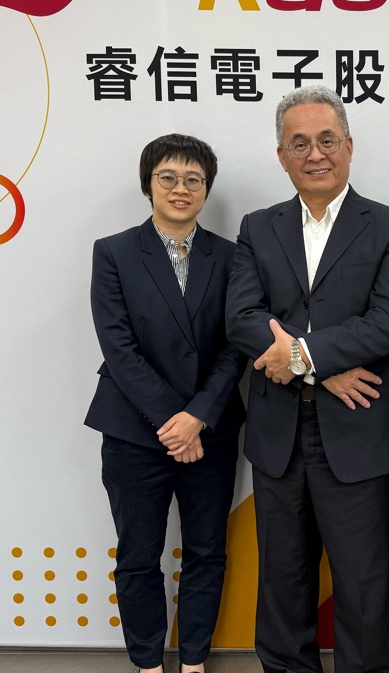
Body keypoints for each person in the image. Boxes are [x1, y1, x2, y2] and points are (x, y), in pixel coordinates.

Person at [225, 85, 389, 673]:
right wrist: (318, 369)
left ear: (349, 146)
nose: (315, 154)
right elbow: (242, 317)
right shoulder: (258, 227)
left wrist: (304, 357)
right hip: (278, 435)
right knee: (282, 582)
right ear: (281, 156)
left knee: (362, 585)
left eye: (327, 140)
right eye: (300, 143)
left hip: (359, 433)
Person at [86, 134, 246, 673]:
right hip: (134, 431)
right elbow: (118, 347)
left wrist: (197, 417)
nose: (181, 188)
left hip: (211, 430)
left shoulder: (231, 257)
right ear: (148, 184)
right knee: (138, 555)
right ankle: (148, 663)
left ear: (206, 188)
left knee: (206, 551)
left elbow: (235, 345)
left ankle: (194, 661)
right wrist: (172, 422)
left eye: (193, 179)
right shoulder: (113, 252)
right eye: (168, 178)